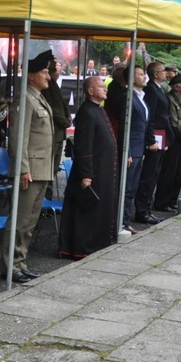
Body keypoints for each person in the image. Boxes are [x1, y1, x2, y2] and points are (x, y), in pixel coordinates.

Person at [1, 49, 54, 284]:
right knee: (20, 220)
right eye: (44, 72)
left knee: (30, 222)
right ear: (31, 76)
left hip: (41, 169)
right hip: (29, 170)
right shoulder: (25, 99)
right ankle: (10, 265)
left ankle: (20, 262)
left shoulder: (38, 98)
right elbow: (18, 138)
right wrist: (23, 168)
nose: (48, 77)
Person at [59, 76, 118, 259]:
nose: (105, 89)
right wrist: (86, 174)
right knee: (88, 211)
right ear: (91, 91)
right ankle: (83, 247)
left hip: (102, 168)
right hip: (93, 170)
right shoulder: (87, 111)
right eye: (101, 87)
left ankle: (99, 243)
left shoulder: (98, 109)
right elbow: (84, 145)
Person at [133, 61, 170, 224]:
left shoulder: (159, 89)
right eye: (163, 71)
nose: (166, 73)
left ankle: (147, 208)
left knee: (154, 173)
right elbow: (152, 117)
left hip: (161, 137)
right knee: (149, 175)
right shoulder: (152, 90)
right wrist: (151, 140)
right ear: (156, 74)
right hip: (154, 138)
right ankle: (142, 210)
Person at [116, 66, 150, 234]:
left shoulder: (140, 97)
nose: (145, 77)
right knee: (127, 188)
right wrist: (127, 151)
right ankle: (121, 222)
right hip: (131, 150)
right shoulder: (127, 98)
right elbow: (124, 126)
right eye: (141, 74)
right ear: (131, 78)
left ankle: (125, 220)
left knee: (133, 187)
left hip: (139, 149)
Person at [154, 74, 181, 212]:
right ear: (177, 86)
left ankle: (171, 200)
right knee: (168, 173)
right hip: (173, 139)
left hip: (179, 140)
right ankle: (162, 202)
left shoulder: (179, 99)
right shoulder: (171, 99)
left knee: (177, 173)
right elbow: (175, 122)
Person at [42, 58, 71, 201]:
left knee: (53, 168)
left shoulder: (53, 85)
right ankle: (45, 200)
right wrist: (65, 120)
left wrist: (67, 116)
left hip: (59, 132)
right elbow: (51, 107)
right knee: (49, 168)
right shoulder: (47, 87)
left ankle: (48, 198)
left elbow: (62, 104)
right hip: (53, 131)